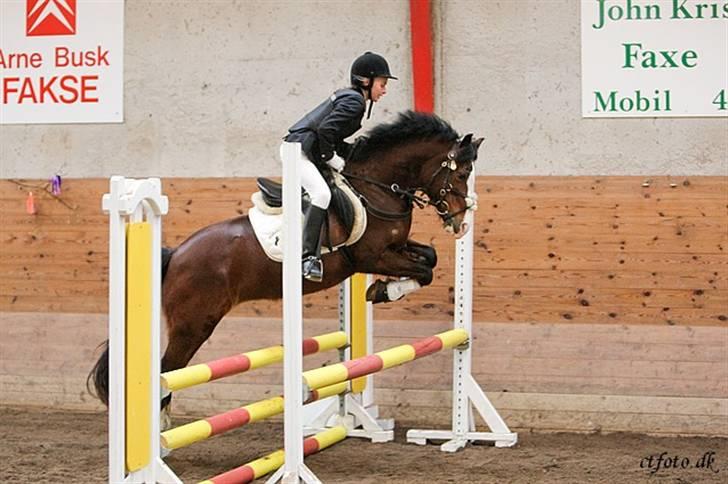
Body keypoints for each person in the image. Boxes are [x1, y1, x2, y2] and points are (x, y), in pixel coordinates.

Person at [284, 52, 397, 282]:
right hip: (299, 152)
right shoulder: (355, 102)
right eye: (382, 84)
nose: (384, 90)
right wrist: (331, 157)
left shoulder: (355, 99)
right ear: (366, 81)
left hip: (306, 150)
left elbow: (332, 135)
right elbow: (325, 131)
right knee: (322, 194)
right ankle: (307, 259)